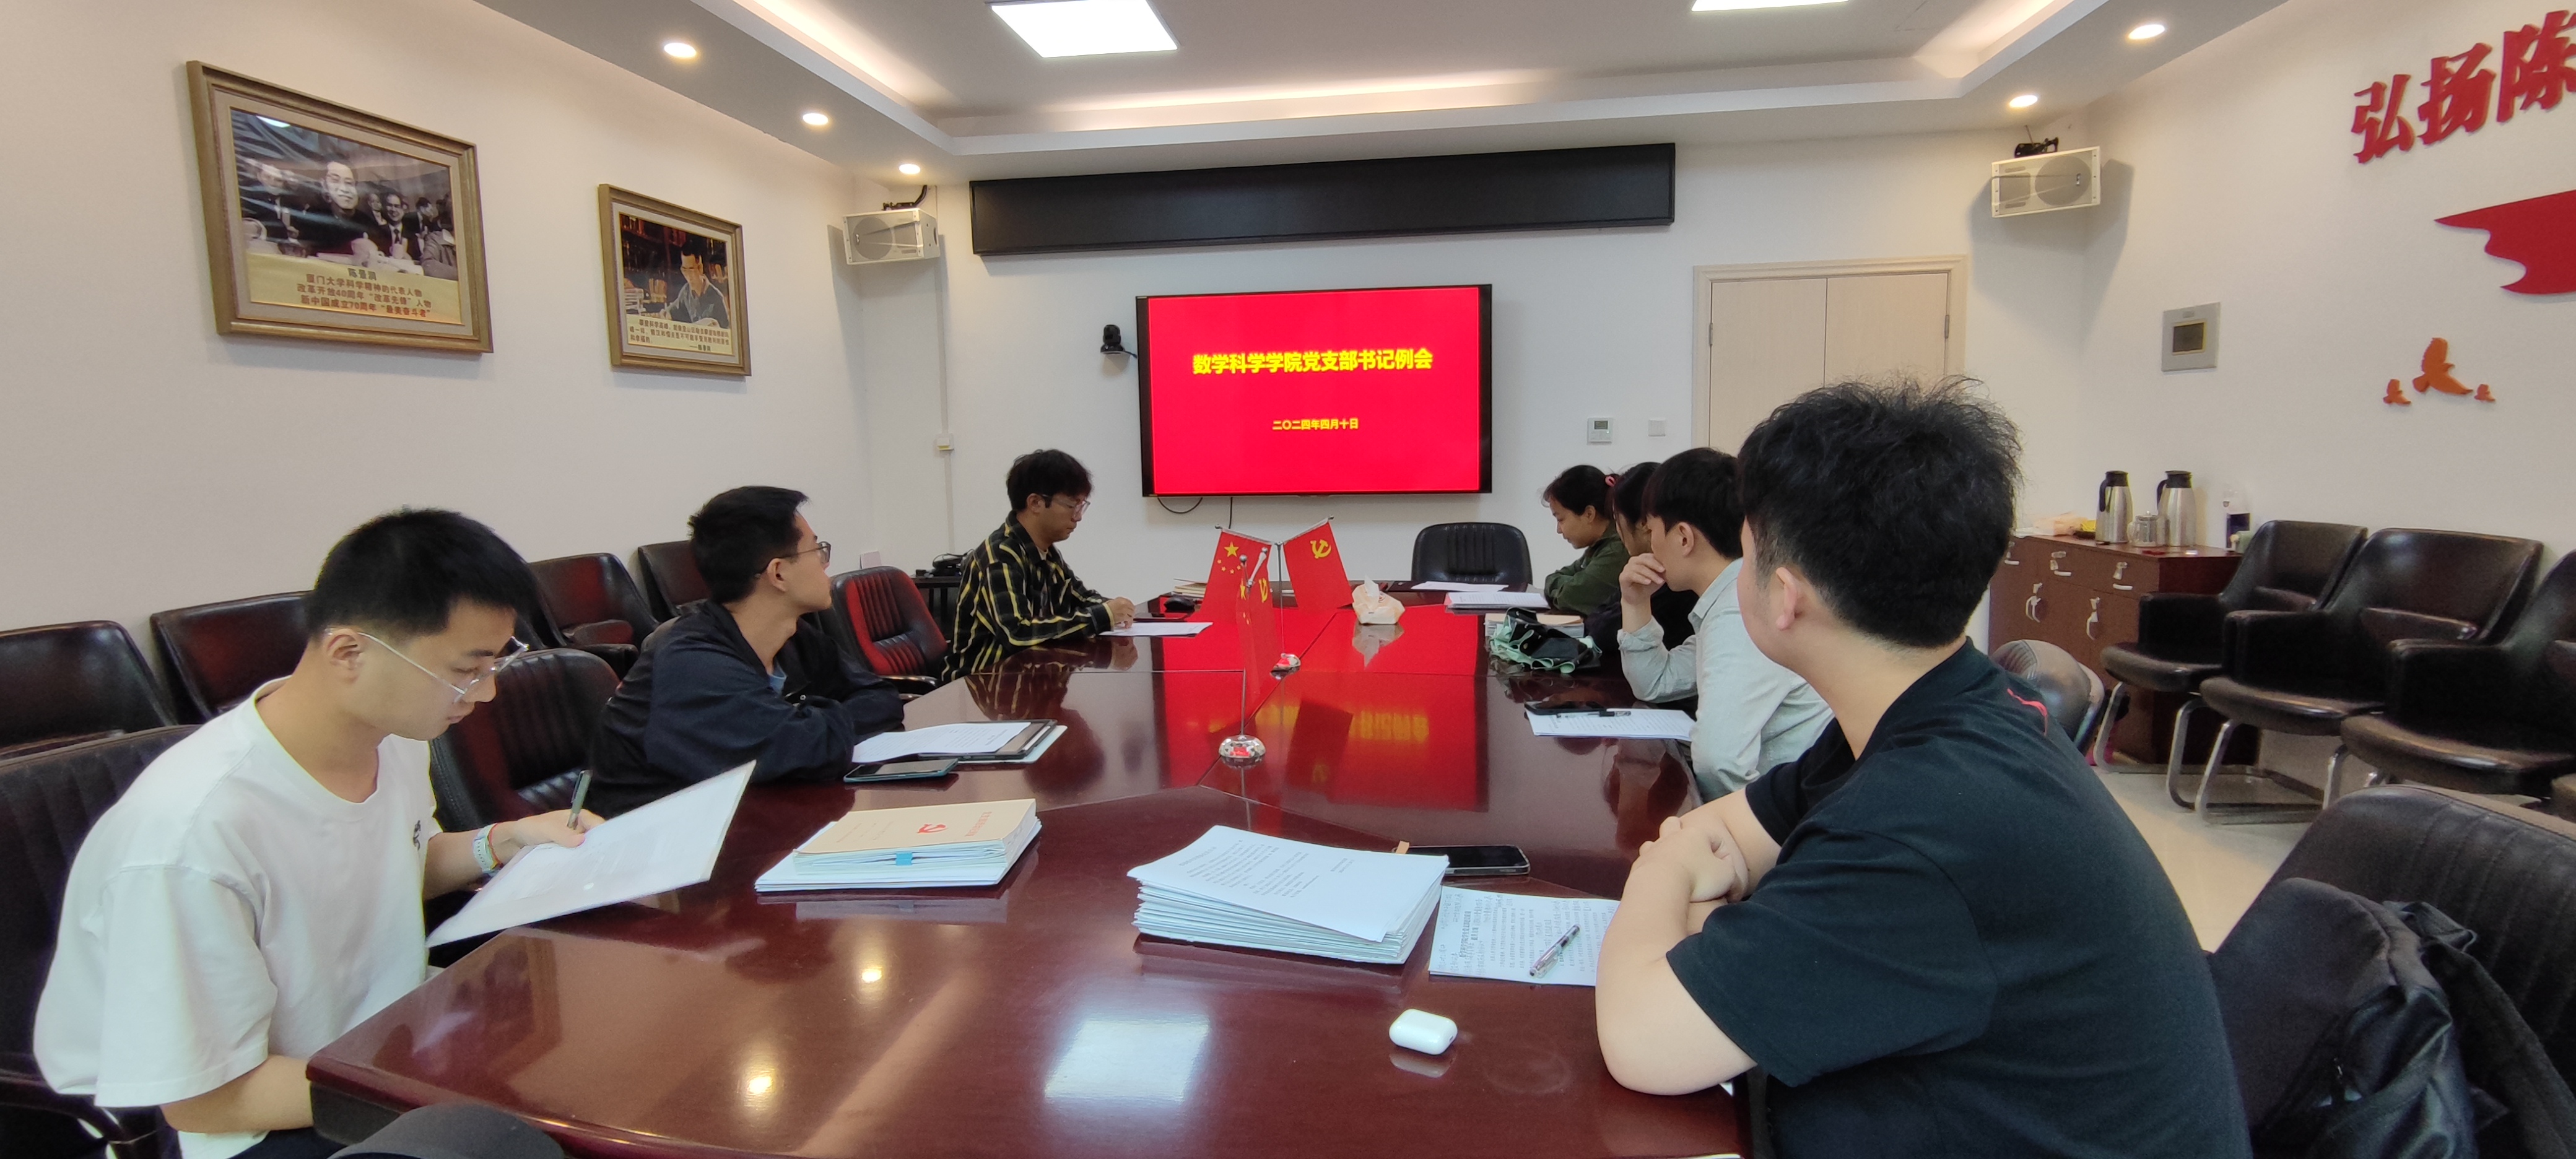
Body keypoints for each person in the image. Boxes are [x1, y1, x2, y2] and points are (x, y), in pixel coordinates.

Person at [1595, 381, 2248, 1158]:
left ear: (1784, 596)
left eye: (1747, 549)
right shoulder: (1927, 707)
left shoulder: (1928, 818)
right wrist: (1709, 914)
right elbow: (1732, 829)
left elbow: (1640, 1039)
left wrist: (1660, 873)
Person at [35, 510, 598, 1159]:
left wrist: (501, 842)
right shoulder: (193, 835)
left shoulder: (392, 738)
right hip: (259, 1118)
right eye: (468, 670)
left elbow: (387, 866)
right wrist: (440, 1080)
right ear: (349, 653)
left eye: (496, 663)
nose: (488, 693)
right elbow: (204, 1100)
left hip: (389, 1041)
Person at [586, 487, 902, 815]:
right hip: (656, 836)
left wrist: (810, 723)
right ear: (778, 573)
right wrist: (814, 726)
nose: (826, 563)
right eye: (817, 549)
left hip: (743, 817)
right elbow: (801, 750)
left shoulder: (793, 637)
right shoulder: (693, 662)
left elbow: (880, 698)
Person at [1613, 448, 1829, 797]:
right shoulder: (1735, 596)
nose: (1649, 545)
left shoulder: (1741, 611)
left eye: (1651, 530)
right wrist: (1636, 604)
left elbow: (1719, 762)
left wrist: (1726, 827)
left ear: (1684, 538)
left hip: (1792, 817)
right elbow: (1655, 682)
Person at [946, 449, 1135, 679]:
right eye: (1072, 505)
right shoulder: (1000, 555)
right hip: (985, 685)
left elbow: (1081, 597)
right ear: (1035, 503)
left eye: (1081, 506)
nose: (1078, 517)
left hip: (1032, 679)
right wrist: (1103, 616)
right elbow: (1017, 633)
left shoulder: (1047, 553)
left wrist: (1114, 608)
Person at [1585, 461, 1695, 665]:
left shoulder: (1673, 580)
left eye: (1617, 520)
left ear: (1645, 524)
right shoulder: (1644, 568)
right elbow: (1597, 617)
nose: (1618, 531)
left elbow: (1603, 632)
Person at [1539, 465, 1627, 612]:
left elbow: (1570, 597)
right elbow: (1556, 577)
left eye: (1560, 519)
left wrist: (1565, 585)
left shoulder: (1617, 549)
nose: (1559, 530)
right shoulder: (1600, 545)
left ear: (1589, 514)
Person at [666, 245, 731, 328]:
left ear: (700, 268)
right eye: (684, 270)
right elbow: (671, 312)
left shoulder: (717, 298)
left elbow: (726, 330)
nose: (688, 276)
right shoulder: (686, 291)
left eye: (691, 270)